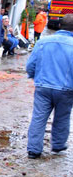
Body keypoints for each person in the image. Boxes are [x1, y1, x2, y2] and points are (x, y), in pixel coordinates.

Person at [26, 13, 73, 158]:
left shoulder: (43, 42)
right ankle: (58, 145)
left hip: (43, 86)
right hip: (66, 89)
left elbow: (30, 65)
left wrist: (36, 77)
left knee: (39, 117)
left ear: (59, 25)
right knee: (62, 117)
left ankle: (34, 150)